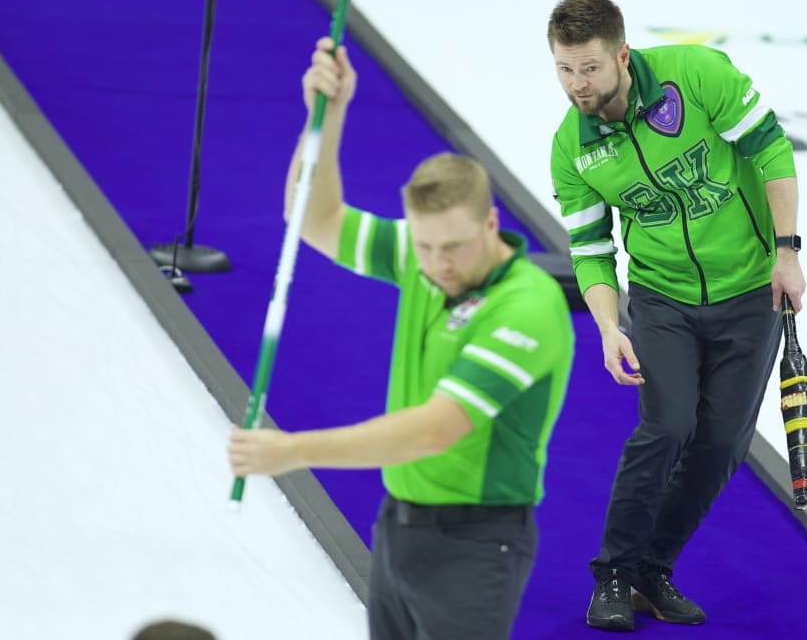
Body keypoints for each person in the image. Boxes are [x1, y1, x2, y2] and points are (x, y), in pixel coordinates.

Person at [228, 37, 575, 640]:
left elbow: (437, 428)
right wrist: (328, 115)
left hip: (477, 543)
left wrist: (295, 451)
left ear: (491, 223)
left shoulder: (527, 306)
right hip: (398, 526)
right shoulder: (422, 260)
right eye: (424, 246)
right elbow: (314, 218)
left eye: (452, 247)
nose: (437, 263)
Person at [546, 0, 807, 631]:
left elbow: (771, 151)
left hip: (751, 293)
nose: (578, 85)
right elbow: (590, 248)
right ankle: (612, 575)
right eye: (564, 68)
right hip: (662, 299)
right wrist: (609, 327)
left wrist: (787, 251)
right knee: (666, 427)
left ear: (623, 56)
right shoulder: (572, 149)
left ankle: (651, 572)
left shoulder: (698, 75)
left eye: (591, 68)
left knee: (720, 445)